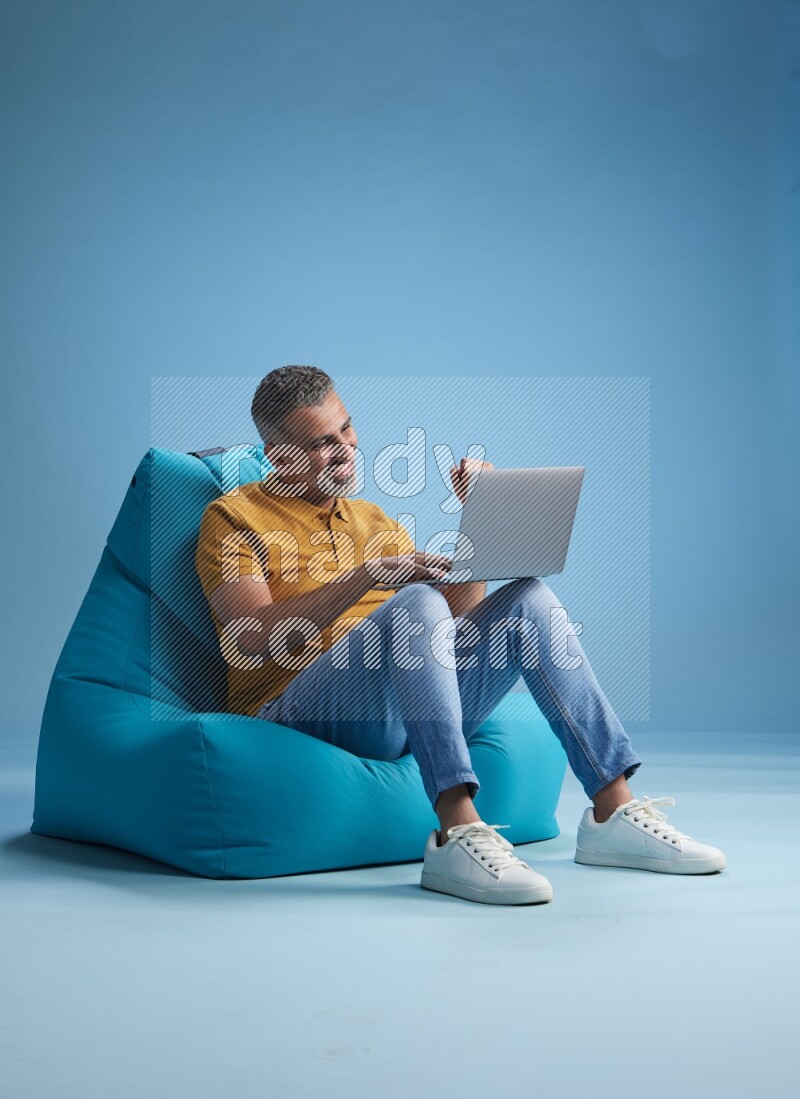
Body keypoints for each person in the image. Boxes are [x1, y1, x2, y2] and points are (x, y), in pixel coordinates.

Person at [195, 365, 726, 905]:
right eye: (321, 444)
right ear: (278, 455)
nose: (345, 449)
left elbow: (455, 625)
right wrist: (366, 577)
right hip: (298, 713)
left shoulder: (372, 519)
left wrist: (481, 521)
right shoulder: (233, 518)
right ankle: (457, 831)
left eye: (346, 429)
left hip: (401, 712)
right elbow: (249, 637)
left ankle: (613, 809)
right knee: (417, 602)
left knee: (528, 598)